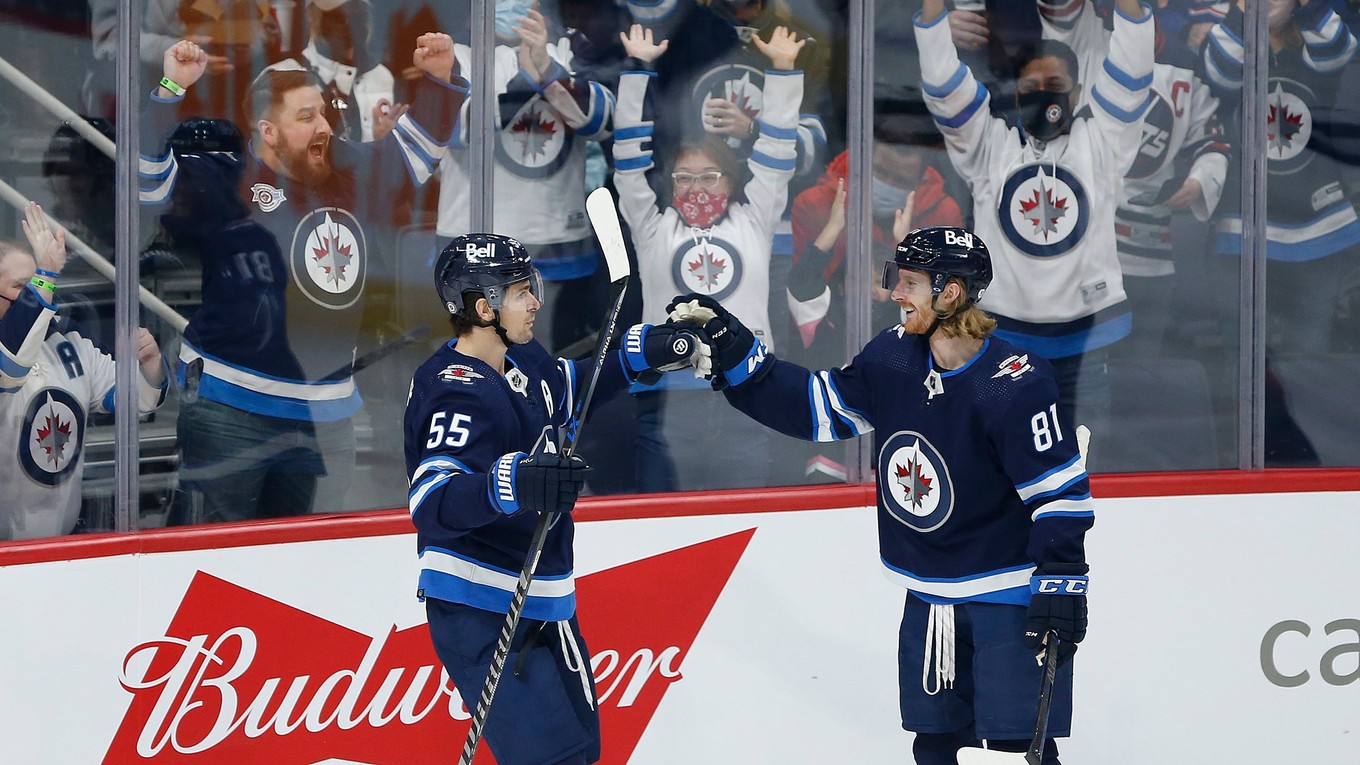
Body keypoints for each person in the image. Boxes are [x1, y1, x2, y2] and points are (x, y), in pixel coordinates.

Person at [664, 226, 1092, 765]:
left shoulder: (1013, 383)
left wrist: (1062, 586)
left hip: (1006, 599)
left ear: (950, 292)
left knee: (1015, 750)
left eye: (909, 282)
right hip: (930, 595)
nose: (895, 293)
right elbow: (814, 408)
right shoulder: (894, 358)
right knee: (935, 748)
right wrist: (736, 353)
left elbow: (1060, 497)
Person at [403, 233, 708, 765]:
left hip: (543, 601)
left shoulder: (522, 360)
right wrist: (516, 482)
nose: (536, 302)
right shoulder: (455, 390)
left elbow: (572, 387)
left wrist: (652, 351)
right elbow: (432, 501)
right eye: (522, 292)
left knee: (582, 754)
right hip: (483, 606)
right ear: (483, 307)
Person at [142, 34, 467, 524]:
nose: (324, 127)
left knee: (304, 565)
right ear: (268, 131)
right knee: (212, 562)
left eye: (322, 113)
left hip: (325, 416)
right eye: (306, 117)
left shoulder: (349, 168)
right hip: (230, 409)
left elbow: (418, 149)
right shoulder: (224, 177)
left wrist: (441, 78)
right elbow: (144, 179)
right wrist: (169, 89)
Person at [914, 0, 1154, 470]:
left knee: (1081, 474)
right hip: (1003, 345)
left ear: (1078, 90)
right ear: (1016, 93)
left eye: (1056, 86)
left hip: (1087, 350)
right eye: (1031, 87)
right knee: (1001, 470)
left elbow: (1131, 71)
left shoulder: (1103, 142)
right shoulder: (990, 149)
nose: (1045, 95)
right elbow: (945, 89)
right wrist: (930, 14)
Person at [613, 22, 804, 491]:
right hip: (665, 405)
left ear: (733, 181)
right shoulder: (653, 227)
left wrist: (781, 72)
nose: (696, 188)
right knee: (659, 529)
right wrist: (638, 71)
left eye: (710, 176)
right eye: (684, 177)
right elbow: (628, 160)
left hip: (748, 397)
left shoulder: (754, 220)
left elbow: (777, 150)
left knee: (746, 527)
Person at [436, 0, 617, 356]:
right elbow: (450, 129)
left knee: (554, 367)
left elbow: (604, 120)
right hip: (474, 242)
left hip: (555, 240)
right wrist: (525, 82)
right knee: (483, 363)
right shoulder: (453, 50)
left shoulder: (572, 45)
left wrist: (549, 73)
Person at [0, 202, 167, 541]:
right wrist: (45, 273)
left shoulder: (69, 340)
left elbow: (133, 400)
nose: (37, 293)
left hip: (63, 540)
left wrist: (150, 365)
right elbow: (12, 364)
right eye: (23, 286)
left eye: (39, 282)